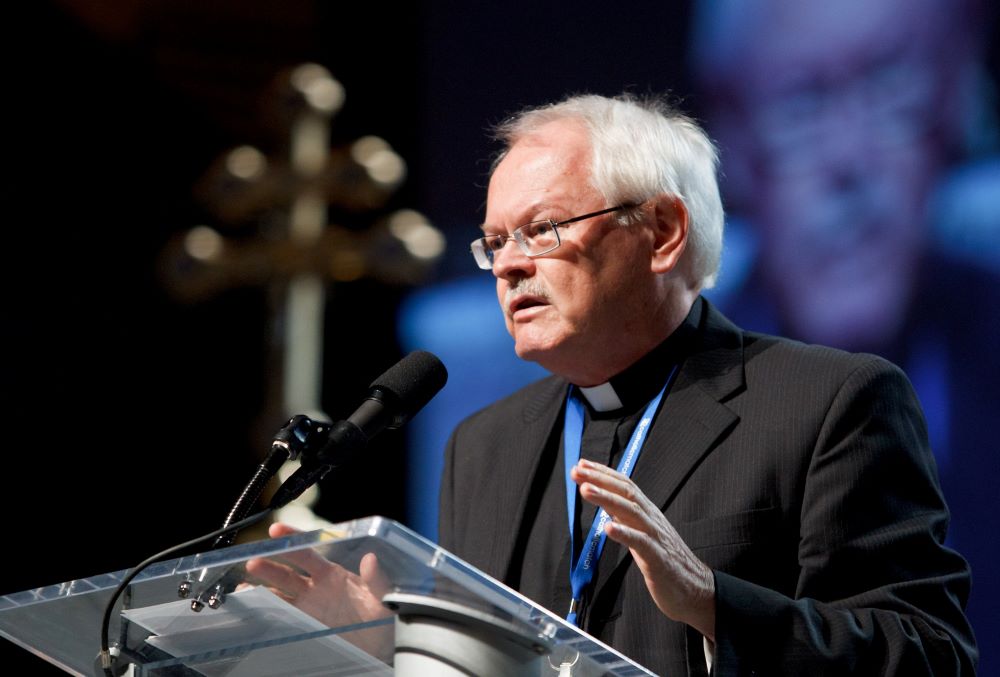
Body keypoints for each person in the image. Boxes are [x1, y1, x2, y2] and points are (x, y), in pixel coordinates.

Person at [249, 92, 977, 675]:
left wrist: (715, 605)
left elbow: (927, 652)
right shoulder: (484, 445)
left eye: (541, 229)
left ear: (661, 231)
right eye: (495, 241)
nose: (507, 266)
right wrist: (390, 645)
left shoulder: (829, 403)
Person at [688, 0, 1000, 668]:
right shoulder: (668, 403)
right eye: (799, 104)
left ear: (956, 98)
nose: (849, 161)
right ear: (732, 146)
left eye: (892, 84)